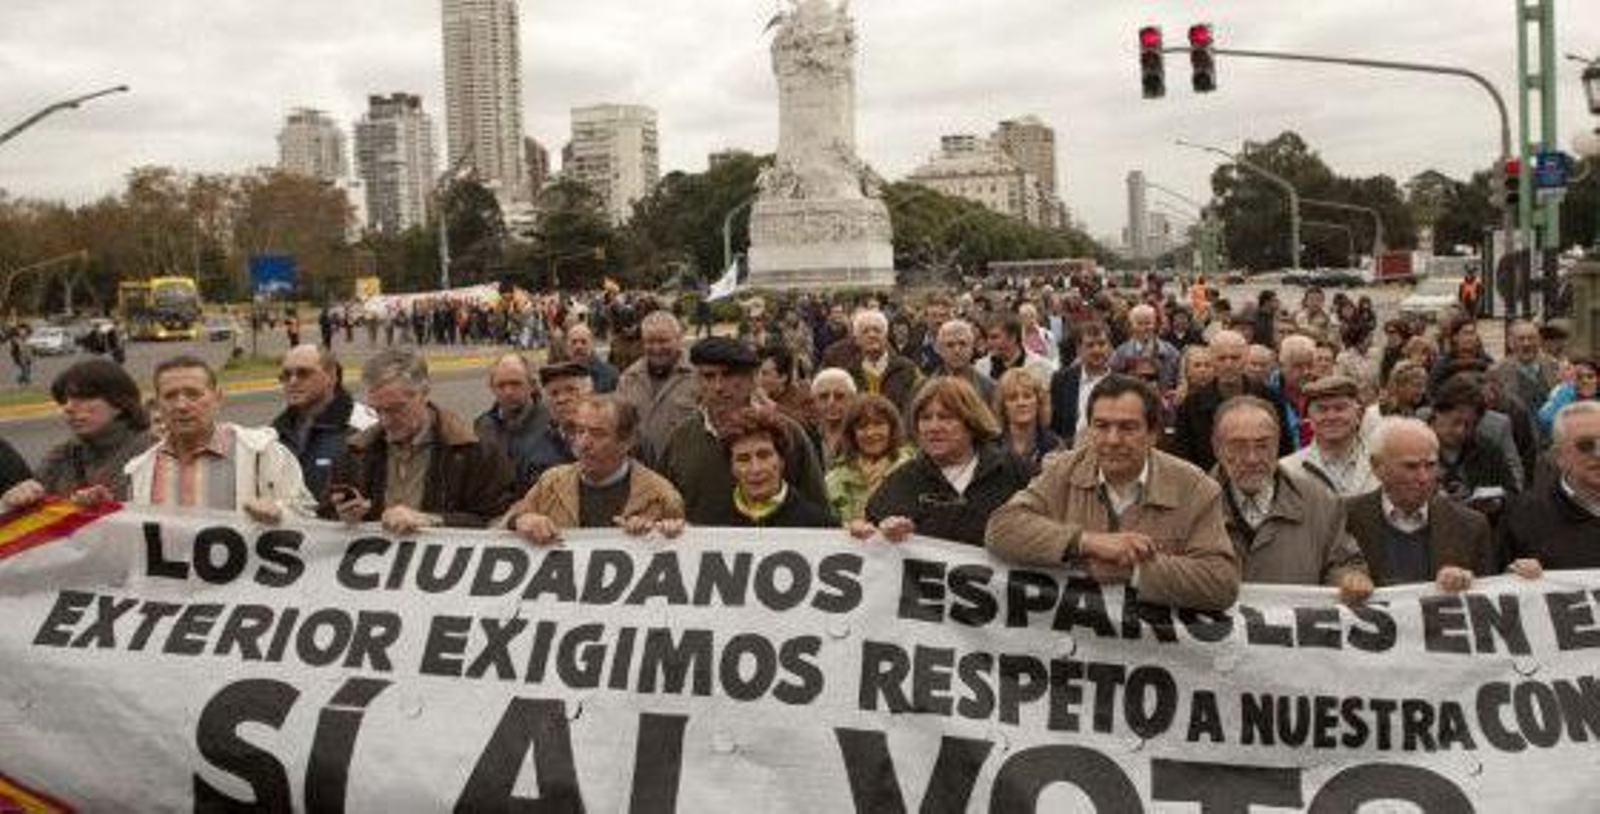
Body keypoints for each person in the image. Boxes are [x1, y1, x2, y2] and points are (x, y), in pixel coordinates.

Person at [986, 375, 1241, 612]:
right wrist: (1084, 542)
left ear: (1153, 434)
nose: (1112, 439)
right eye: (1101, 426)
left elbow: (1221, 582)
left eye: (1127, 428)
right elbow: (1002, 528)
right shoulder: (1064, 471)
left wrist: (1134, 570)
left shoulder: (1195, 487)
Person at [325, 349, 512, 531]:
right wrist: (345, 516)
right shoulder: (355, 452)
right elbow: (323, 519)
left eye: (396, 409)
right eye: (377, 410)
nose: (385, 421)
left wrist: (431, 520)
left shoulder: (473, 450)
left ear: (423, 394)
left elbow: (496, 519)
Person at [1211, 396, 1372, 604]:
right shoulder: (1193, 505)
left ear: (1278, 443)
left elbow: (1343, 563)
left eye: (1262, 445)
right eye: (1238, 446)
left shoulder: (1321, 501)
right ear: (1216, 447)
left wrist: (1349, 579)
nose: (1252, 458)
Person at [659, 337, 828, 525]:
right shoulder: (681, 439)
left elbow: (819, 511)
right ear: (697, 380)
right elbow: (660, 506)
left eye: (729, 375)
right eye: (709, 376)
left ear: (752, 380)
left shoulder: (788, 432)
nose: (718, 387)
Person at [124, 356, 313, 522]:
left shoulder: (262, 453)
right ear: (158, 405)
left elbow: (309, 517)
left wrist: (280, 514)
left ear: (218, 398)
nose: (181, 405)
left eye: (193, 394)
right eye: (170, 396)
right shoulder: (140, 471)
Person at [862, 377, 1033, 547]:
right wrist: (877, 532)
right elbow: (869, 540)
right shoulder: (900, 483)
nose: (933, 427)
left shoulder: (1015, 473)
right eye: (925, 418)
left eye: (946, 417)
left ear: (971, 422)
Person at [501, 395, 685, 545]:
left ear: (627, 442)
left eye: (598, 434)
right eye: (579, 431)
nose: (583, 444)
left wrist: (661, 534)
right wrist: (519, 521)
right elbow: (499, 528)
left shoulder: (661, 496)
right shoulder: (551, 482)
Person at [1344, 417, 1493, 591]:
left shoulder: (1471, 526)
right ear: (1377, 466)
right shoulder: (1347, 518)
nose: (1424, 477)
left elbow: (1492, 595)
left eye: (1430, 465)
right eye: (1410, 466)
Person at [2, 359, 154, 509]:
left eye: (83, 397)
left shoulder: (153, 453)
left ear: (120, 403)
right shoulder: (61, 456)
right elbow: (35, 514)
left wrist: (110, 506)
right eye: (64, 400)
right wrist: (16, 499)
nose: (68, 407)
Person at [1495, 402, 1600, 572]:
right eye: (1586, 445)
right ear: (1560, 456)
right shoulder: (1523, 516)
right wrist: (1514, 577)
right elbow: (1495, 584)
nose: (1598, 453)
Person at [1171, 330, 1292, 472]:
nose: (1228, 364)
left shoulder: (1270, 398)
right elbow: (1184, 458)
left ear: (1246, 359)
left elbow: (1283, 448)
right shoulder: (1190, 406)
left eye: (1235, 358)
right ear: (1212, 360)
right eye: (1222, 358)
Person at [696, 408, 838, 528]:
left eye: (764, 455)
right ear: (732, 467)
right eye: (743, 459)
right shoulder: (709, 522)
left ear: (782, 460)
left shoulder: (820, 525)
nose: (755, 469)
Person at [269, 344, 377, 502]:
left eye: (303, 373)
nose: (292, 382)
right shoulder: (274, 433)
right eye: (286, 375)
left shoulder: (365, 427)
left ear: (331, 377)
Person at [1427, 375, 1517, 521]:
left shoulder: (1489, 451)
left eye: (1469, 425)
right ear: (1437, 413)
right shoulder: (1414, 446)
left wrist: (1498, 504)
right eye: (1455, 422)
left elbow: (1513, 494)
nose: (1461, 431)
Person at [614, 312, 699, 465]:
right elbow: (619, 428)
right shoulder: (628, 379)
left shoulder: (698, 377)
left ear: (679, 340)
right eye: (650, 341)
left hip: (685, 470)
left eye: (663, 341)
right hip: (641, 473)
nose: (656, 348)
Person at [1282, 376, 1378, 497]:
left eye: (1340, 408)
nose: (1331, 417)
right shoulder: (1289, 469)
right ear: (1310, 419)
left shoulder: (1382, 461)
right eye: (1322, 409)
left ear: (1358, 415)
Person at [826, 394, 913, 524]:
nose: (871, 433)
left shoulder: (913, 472)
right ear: (852, 433)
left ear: (892, 428)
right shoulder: (834, 480)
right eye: (862, 426)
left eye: (879, 424)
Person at [473, 353, 552, 497]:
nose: (508, 392)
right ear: (492, 388)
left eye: (515, 384)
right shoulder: (483, 426)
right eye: (501, 385)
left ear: (532, 385)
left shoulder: (552, 424)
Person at [520, 361, 594, 488]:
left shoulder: (615, 438)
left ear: (589, 393)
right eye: (554, 394)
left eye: (571, 390)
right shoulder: (533, 450)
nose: (562, 399)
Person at [1049, 322, 1114, 448]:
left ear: (1110, 347)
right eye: (1090, 345)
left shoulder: (1124, 383)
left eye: (1102, 344)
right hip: (1070, 453)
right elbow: (1055, 424)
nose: (1097, 350)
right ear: (1079, 349)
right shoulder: (1062, 380)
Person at [845, 309, 921, 416]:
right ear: (856, 339)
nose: (872, 335)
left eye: (877, 330)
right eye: (865, 331)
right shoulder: (849, 373)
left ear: (886, 336)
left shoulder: (908, 369)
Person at [1489, 320, 1560, 416]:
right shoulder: (1496, 372)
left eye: (1531, 338)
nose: (1526, 344)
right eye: (1521, 339)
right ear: (1511, 343)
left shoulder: (1555, 366)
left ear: (1539, 341)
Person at [994, 368, 1061, 467]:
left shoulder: (1054, 444)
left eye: (1027, 396)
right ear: (1003, 407)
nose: (1021, 403)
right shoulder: (992, 446)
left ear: (1039, 402)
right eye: (1013, 398)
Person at [1110, 304, 1181, 390]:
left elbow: (1180, 378)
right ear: (1132, 326)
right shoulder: (1121, 352)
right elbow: (1114, 380)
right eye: (1139, 323)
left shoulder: (1170, 350)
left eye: (1148, 323)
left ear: (1155, 324)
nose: (1144, 328)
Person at [976, 314, 1055, 387]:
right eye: (987, 338)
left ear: (1013, 337)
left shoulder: (1041, 367)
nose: (989, 342)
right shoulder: (981, 367)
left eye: (995, 337)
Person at [930, 319, 994, 403]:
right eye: (950, 345)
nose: (957, 350)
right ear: (939, 349)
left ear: (972, 347)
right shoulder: (928, 387)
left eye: (963, 344)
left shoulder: (989, 388)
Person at [1537, 357, 1598, 437]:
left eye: (1590, 376)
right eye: (1579, 377)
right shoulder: (1564, 395)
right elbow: (1545, 420)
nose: (1585, 381)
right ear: (1573, 380)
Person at [757, 343, 816, 427]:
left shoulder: (803, 395)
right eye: (757, 373)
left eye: (765, 374)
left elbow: (809, 426)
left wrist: (771, 404)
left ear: (783, 378)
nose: (759, 378)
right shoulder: (753, 398)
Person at [809, 368, 858, 467]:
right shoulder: (806, 435)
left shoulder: (862, 435)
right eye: (824, 396)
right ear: (814, 401)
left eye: (839, 396)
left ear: (853, 399)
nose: (831, 403)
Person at [565, 323, 619, 393]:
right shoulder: (560, 376)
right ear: (567, 347)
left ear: (591, 345)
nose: (578, 347)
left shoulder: (611, 374)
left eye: (583, 342)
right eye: (574, 342)